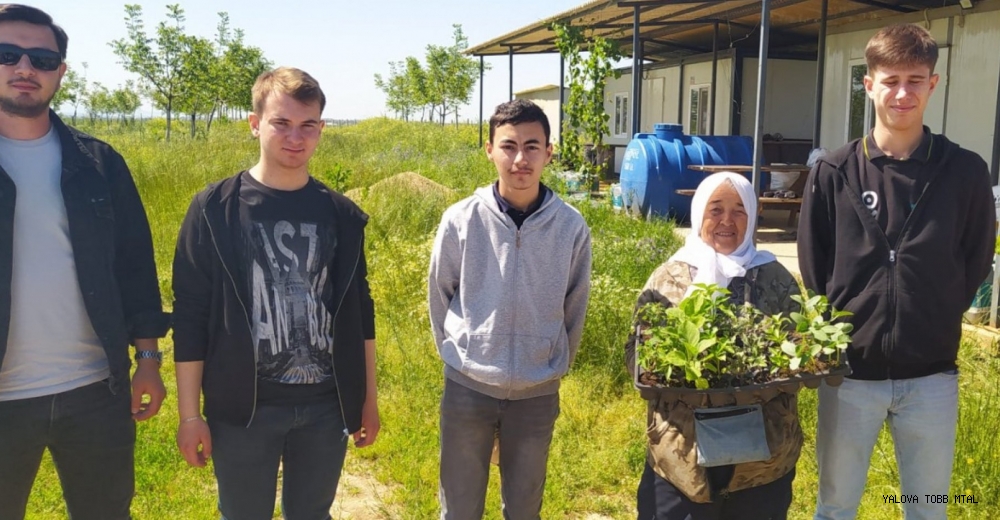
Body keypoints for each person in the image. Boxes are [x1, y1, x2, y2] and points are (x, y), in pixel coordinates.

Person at [798, 23, 994, 520]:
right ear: (868, 85)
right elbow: (814, 265)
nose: (902, 93)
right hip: (849, 378)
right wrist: (849, 327)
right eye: (890, 80)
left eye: (915, 79)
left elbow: (975, 258)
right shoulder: (834, 172)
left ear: (934, 83)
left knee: (928, 510)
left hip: (931, 377)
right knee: (836, 506)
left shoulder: (965, 171)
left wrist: (940, 307)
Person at [172, 67, 380, 519]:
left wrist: (368, 400)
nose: (295, 137)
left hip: (326, 406)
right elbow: (189, 317)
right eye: (281, 123)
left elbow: (360, 315)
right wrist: (190, 415)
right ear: (254, 123)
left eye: (308, 125)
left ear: (322, 129)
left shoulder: (342, 216)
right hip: (243, 408)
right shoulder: (214, 210)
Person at [0, 4, 169, 519]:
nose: (25, 68)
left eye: (43, 59)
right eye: (8, 54)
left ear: (61, 72)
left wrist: (148, 360)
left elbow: (135, 267)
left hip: (95, 391)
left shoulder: (97, 163)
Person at [428, 98, 591, 519]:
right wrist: (461, 356)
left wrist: (551, 364)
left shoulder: (570, 226)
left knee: (523, 508)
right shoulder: (461, 220)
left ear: (549, 153)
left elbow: (576, 303)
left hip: (537, 394)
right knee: (459, 508)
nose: (520, 159)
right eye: (508, 146)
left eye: (532, 146)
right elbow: (440, 294)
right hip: (468, 387)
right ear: (489, 149)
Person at [626, 172, 802, 520]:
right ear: (698, 215)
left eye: (739, 210)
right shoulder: (670, 277)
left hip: (763, 461)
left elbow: (802, 346)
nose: (727, 220)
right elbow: (635, 350)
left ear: (752, 217)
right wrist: (657, 364)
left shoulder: (774, 277)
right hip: (681, 454)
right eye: (715, 209)